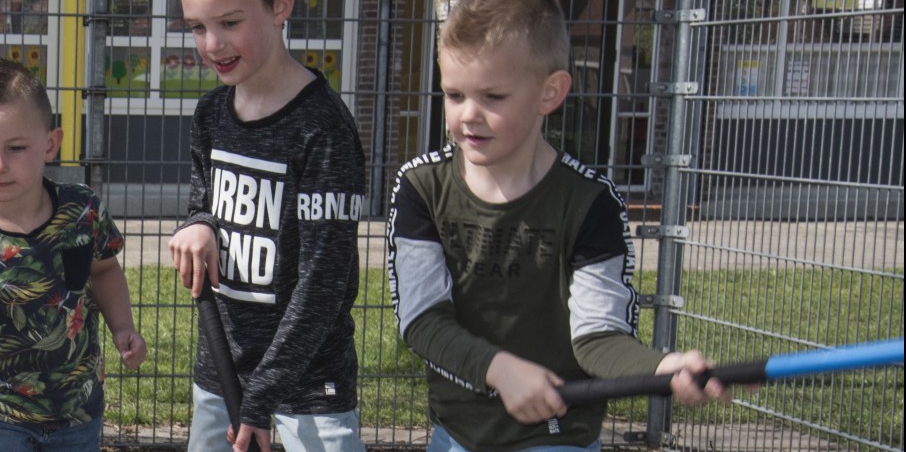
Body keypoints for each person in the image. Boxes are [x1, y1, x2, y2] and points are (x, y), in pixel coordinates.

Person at [389, 0, 732, 450]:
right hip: (455, 435)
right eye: (455, 95)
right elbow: (423, 321)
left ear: (550, 92)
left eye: (493, 97)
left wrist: (662, 368)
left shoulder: (591, 204)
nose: (468, 114)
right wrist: (500, 370)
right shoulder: (420, 188)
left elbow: (598, 338)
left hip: (557, 434)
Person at [165, 0, 370, 450]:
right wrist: (198, 225)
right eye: (197, 27)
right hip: (221, 373)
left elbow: (322, 286)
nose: (212, 44)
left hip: (311, 386)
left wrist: (261, 395)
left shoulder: (324, 129)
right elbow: (202, 206)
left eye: (230, 23)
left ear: (280, 7)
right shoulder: (210, 113)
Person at [0, 59, 148, 452]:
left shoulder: (83, 212)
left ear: (50, 144)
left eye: (16, 148)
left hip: (78, 410)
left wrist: (123, 326)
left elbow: (105, 270)